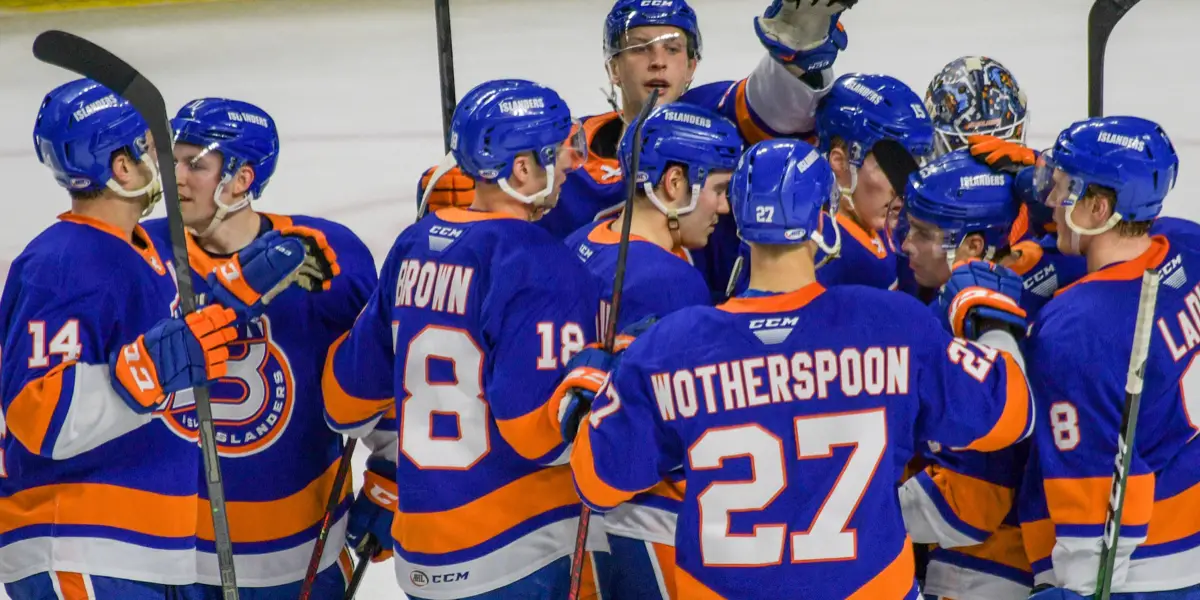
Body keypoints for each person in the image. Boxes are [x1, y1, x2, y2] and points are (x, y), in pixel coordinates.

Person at [567, 137, 1034, 598]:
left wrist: (591, 396)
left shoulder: (670, 346)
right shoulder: (892, 324)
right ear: (822, 221)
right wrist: (991, 322)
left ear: (742, 223)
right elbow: (1013, 416)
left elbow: (596, 483)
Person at [0, 79, 324, 599]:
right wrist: (148, 369)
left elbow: (176, 351)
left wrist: (238, 293)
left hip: (151, 551)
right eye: (152, 150)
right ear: (122, 168)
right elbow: (41, 415)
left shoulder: (141, 252)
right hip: (78, 545)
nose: (168, 166)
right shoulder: (63, 261)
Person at [322, 79, 609, 599]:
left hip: (422, 553)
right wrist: (602, 377)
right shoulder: (544, 264)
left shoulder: (412, 245)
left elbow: (344, 402)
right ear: (522, 168)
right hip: (518, 549)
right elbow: (539, 438)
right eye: (558, 151)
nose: (571, 163)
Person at [421, 0, 857, 299]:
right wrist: (474, 187)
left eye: (673, 48)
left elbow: (779, 103)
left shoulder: (716, 119)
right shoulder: (555, 150)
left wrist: (797, 53)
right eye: (639, 48)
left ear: (692, 66)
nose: (658, 61)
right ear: (613, 66)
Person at [140, 97, 372, 597]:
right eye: (172, 160)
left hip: (302, 547)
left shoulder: (326, 254)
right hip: (169, 554)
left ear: (242, 179)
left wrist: (392, 469)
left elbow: (374, 370)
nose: (174, 175)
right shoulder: (139, 250)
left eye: (195, 164)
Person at [561, 102, 741, 599]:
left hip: (578, 502)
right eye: (718, 190)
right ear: (675, 184)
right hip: (649, 518)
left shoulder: (583, 240)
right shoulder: (671, 281)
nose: (723, 209)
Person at [1015, 116, 1200, 598]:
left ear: (1099, 207)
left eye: (1063, 188)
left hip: (1146, 568)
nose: (1050, 200)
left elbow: (1096, 512)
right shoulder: (1188, 243)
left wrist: (1075, 591)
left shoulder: (1075, 331)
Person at [893, 151, 1035, 600]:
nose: (905, 244)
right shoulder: (1034, 273)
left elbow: (970, 504)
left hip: (981, 572)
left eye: (924, 233)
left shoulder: (974, 324)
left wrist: (853, 513)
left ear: (972, 247)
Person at [727, 72, 935, 295]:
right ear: (839, 161)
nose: (902, 185)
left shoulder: (873, 227)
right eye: (890, 168)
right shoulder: (806, 243)